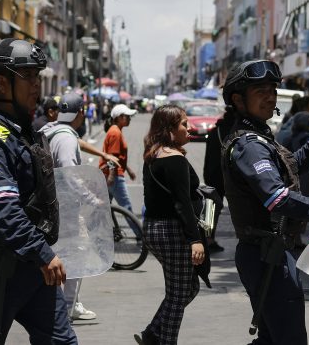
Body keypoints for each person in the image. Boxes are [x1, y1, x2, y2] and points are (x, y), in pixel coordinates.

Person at [220, 59, 309, 345]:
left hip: (272, 252)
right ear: (238, 99)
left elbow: (289, 165)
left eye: (272, 90)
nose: (270, 97)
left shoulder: (259, 137)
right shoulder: (250, 145)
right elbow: (278, 198)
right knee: (289, 339)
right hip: (266, 256)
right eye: (261, 91)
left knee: (273, 339)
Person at [0, 38, 76, 344]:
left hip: (30, 266)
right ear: (2, 83)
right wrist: (44, 254)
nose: (37, 85)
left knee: (61, 342)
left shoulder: (20, 131)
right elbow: (3, 209)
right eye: (29, 77)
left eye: (38, 76)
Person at [137, 105, 207, 345]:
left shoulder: (153, 154)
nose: (189, 129)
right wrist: (195, 239)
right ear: (169, 129)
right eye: (184, 124)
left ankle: (153, 332)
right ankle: (163, 340)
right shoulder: (174, 159)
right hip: (171, 231)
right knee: (178, 295)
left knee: (189, 288)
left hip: (154, 230)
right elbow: (182, 203)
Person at [40, 93, 96, 321]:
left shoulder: (49, 131)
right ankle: (68, 304)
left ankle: (58, 303)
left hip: (51, 205)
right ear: (79, 113)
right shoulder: (66, 139)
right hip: (64, 208)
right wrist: (92, 198)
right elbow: (69, 173)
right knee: (77, 251)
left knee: (58, 252)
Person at [202, 110, 235, 253]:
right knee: (240, 206)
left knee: (210, 208)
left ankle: (207, 238)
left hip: (212, 174)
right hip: (229, 175)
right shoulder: (234, 132)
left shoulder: (215, 130)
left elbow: (208, 155)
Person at [99, 104, 138, 215]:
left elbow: (117, 156)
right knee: (127, 209)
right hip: (114, 175)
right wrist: (111, 176)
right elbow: (112, 157)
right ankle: (140, 233)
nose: (129, 119)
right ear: (120, 118)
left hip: (110, 174)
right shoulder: (115, 133)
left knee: (104, 209)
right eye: (127, 116)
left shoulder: (115, 131)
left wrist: (128, 169)